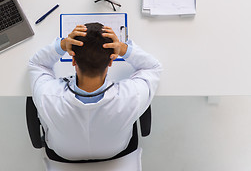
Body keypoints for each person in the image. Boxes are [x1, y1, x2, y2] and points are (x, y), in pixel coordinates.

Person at [28, 23, 162, 171]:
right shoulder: (131, 96)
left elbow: (37, 64)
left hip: (64, 155)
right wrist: (123, 48)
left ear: (73, 60)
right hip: (115, 151)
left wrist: (63, 45)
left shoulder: (48, 96)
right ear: (111, 61)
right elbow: (152, 67)